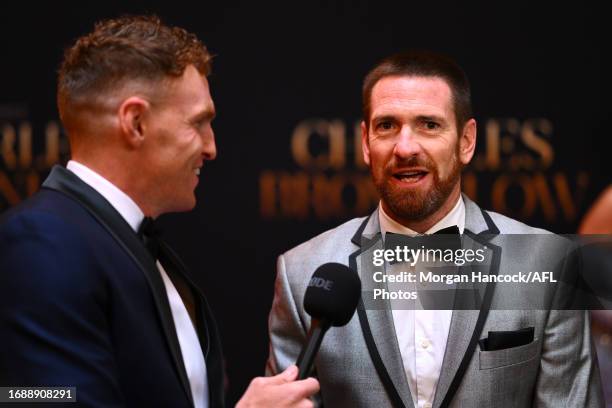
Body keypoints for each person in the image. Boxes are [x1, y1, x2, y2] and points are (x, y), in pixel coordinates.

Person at [0, 15, 318, 408]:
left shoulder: (134, 244)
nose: (211, 147)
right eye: (199, 123)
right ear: (135, 123)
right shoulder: (41, 241)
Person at [267, 51, 604, 407]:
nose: (406, 147)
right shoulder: (303, 273)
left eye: (429, 124)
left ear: (466, 141)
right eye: (387, 126)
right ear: (366, 142)